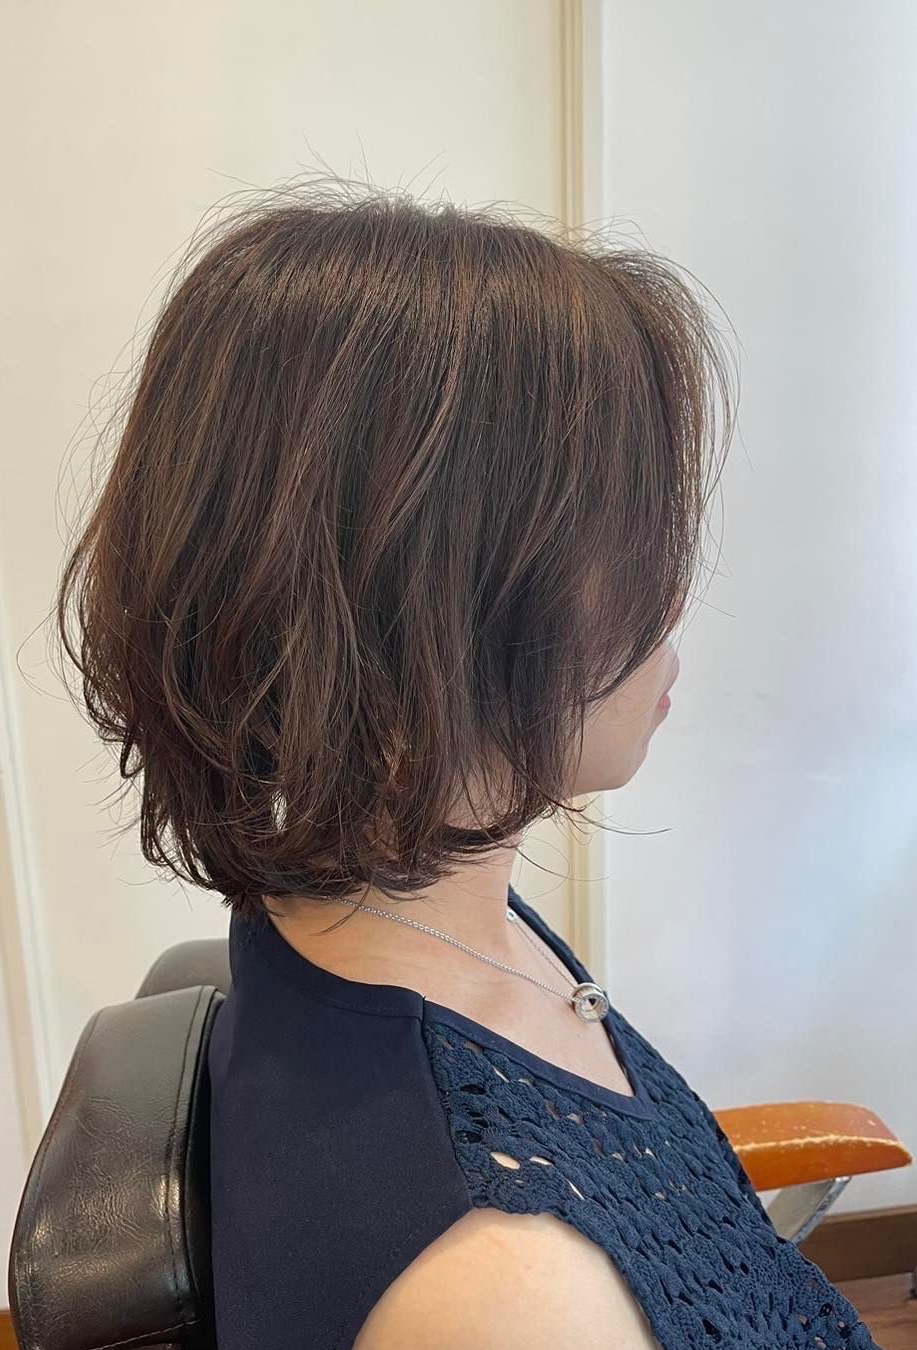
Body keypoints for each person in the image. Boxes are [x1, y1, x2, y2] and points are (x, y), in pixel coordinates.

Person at [55, 176, 880, 1349]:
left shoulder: (391, 916)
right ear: (441, 603)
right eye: (638, 549)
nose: (674, 603)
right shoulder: (510, 1295)